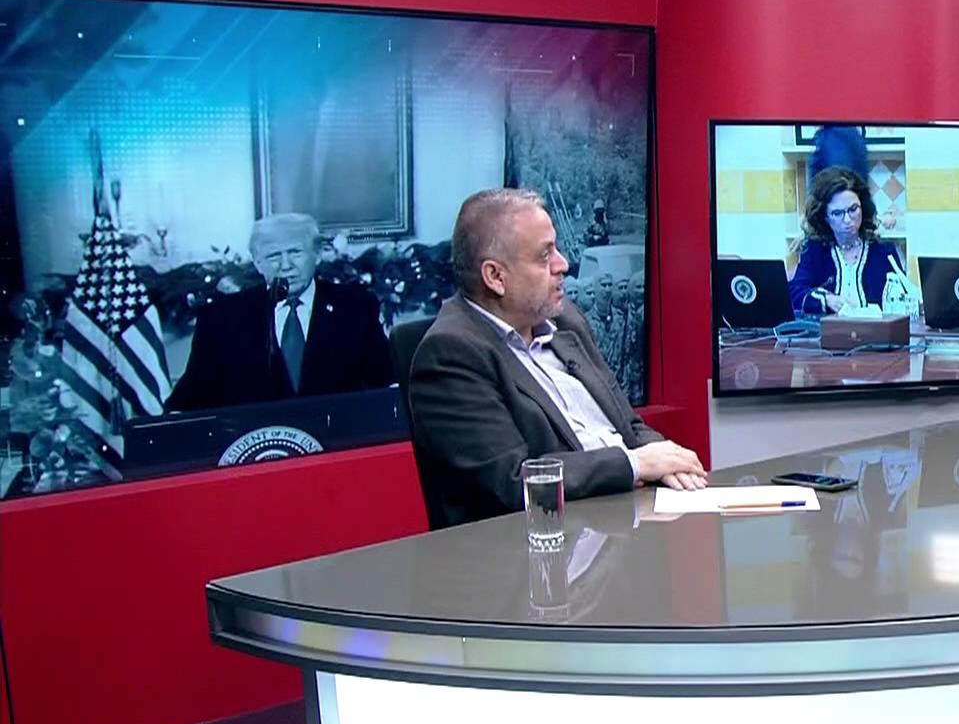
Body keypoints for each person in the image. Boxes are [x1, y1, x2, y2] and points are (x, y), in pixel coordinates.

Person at [407, 188, 706, 528]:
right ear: (496, 277)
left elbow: (629, 426)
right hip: (543, 543)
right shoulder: (450, 354)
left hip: (632, 517)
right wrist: (635, 465)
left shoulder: (565, 321)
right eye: (544, 256)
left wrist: (673, 464)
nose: (563, 264)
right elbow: (514, 480)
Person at [166, 213, 391, 411]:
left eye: (295, 252)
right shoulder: (221, 318)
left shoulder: (356, 308)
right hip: (256, 442)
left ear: (317, 254)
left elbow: (385, 384)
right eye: (273, 256)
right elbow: (189, 399)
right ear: (257, 262)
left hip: (338, 438)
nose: (285, 265)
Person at [788, 167, 905, 316]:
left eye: (853, 209)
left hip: (876, 330)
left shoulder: (884, 251)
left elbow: (903, 299)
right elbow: (795, 292)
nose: (848, 220)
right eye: (837, 213)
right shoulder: (815, 251)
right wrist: (826, 299)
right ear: (825, 217)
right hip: (829, 330)